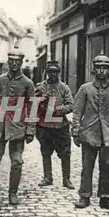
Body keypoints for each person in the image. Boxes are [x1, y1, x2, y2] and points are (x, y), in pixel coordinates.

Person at [0, 47, 36, 206]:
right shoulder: (0, 80)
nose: (14, 64)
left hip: (17, 128)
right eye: (11, 61)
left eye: (17, 61)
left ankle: (13, 193)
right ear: (8, 61)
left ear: (22, 62)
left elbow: (32, 108)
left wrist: (30, 130)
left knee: (16, 161)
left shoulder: (27, 83)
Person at [72, 54, 109, 211]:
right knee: (87, 166)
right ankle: (84, 196)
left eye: (105, 68)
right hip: (89, 133)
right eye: (99, 68)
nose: (102, 71)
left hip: (108, 134)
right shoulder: (85, 89)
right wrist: (75, 131)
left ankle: (105, 197)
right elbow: (77, 112)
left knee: (106, 166)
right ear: (93, 69)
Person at [34, 61, 75, 189]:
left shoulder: (64, 88)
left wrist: (57, 109)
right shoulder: (40, 87)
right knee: (45, 151)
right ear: (46, 73)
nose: (52, 75)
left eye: (55, 72)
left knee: (65, 152)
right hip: (44, 126)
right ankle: (47, 177)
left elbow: (71, 105)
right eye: (50, 72)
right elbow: (32, 104)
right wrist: (40, 102)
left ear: (59, 73)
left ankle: (66, 179)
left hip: (60, 126)